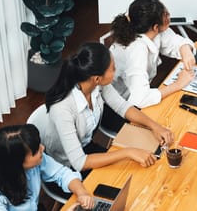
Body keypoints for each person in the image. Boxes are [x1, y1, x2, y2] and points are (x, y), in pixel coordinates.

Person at [42, 42, 174, 174]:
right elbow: (79, 163)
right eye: (113, 68)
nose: (115, 72)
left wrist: (154, 126)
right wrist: (128, 151)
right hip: (66, 167)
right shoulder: (62, 108)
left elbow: (122, 106)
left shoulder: (96, 83)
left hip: (86, 147)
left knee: (139, 166)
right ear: (97, 78)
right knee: (131, 171)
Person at [0, 124, 94, 210]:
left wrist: (82, 192)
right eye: (36, 150)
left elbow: (62, 174)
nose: (42, 148)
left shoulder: (36, 161)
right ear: (17, 162)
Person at [109, 0, 196, 109]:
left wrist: (185, 49)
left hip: (142, 89)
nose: (169, 16)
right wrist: (178, 84)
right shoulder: (137, 50)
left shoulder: (148, 29)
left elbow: (175, 41)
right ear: (155, 27)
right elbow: (139, 99)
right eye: (166, 15)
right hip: (123, 104)